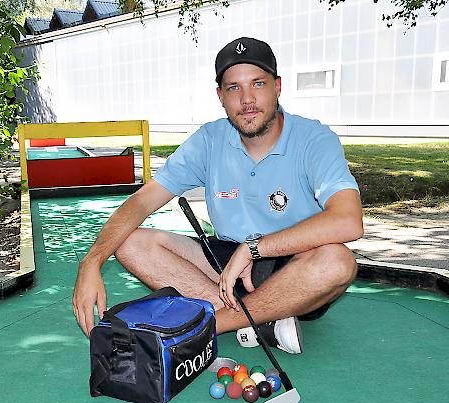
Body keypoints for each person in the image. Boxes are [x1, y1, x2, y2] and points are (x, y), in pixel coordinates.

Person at [73, 36, 363, 354]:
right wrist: (92, 262)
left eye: (258, 84)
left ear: (277, 87)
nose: (247, 99)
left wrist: (254, 249)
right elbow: (142, 201)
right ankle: (262, 319)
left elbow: (349, 221)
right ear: (220, 97)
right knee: (129, 242)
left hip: (294, 262)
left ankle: (210, 326)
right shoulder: (209, 140)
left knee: (338, 261)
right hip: (223, 265)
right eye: (234, 88)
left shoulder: (314, 138)